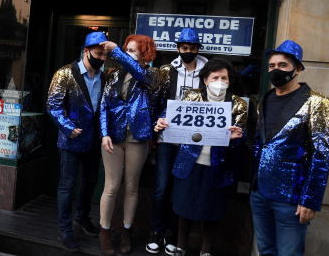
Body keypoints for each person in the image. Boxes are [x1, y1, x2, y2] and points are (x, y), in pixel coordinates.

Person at [155, 57, 247, 256]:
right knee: (184, 206)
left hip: (218, 165)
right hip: (190, 162)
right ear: (205, 80)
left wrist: (235, 137)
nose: (220, 81)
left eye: (224, 78)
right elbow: (173, 117)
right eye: (215, 77)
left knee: (212, 210)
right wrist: (162, 122)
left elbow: (242, 137)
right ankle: (180, 246)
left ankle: (206, 251)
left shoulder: (238, 104)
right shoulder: (192, 96)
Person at [250, 40, 329, 256]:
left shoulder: (318, 103)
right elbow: (263, 143)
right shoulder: (265, 100)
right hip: (259, 193)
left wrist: (310, 199)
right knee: (266, 250)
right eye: (272, 66)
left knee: (289, 253)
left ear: (297, 69)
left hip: (291, 198)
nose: (275, 70)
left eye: (282, 65)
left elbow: (322, 155)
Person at [147, 27, 209, 255]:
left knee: (179, 188)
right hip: (167, 137)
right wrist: (156, 124)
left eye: (192, 48)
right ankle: (156, 231)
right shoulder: (166, 70)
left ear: (198, 49)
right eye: (184, 48)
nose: (188, 52)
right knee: (162, 186)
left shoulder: (207, 72)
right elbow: (155, 101)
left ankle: (172, 234)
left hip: (192, 141)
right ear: (178, 49)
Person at [46, 31, 108, 252]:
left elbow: (101, 109)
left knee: (90, 181)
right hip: (71, 139)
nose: (101, 58)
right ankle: (65, 229)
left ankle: (81, 218)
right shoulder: (64, 73)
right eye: (98, 54)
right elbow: (52, 105)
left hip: (93, 140)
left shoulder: (103, 76)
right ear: (86, 51)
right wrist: (68, 128)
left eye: (104, 55)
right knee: (67, 185)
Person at [98, 35, 158, 255]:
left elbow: (140, 73)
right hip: (113, 135)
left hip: (138, 136)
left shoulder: (150, 73)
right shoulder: (113, 75)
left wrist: (118, 53)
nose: (128, 53)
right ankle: (104, 231)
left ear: (145, 55)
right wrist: (104, 133)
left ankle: (126, 231)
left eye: (133, 51)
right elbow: (104, 106)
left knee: (132, 187)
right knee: (111, 186)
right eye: (126, 49)